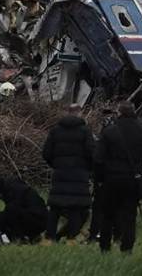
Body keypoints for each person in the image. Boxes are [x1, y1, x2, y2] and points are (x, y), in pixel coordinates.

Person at [94, 101, 142, 254]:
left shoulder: (109, 132)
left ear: (119, 113)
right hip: (133, 179)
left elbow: (99, 158)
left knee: (107, 215)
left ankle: (105, 247)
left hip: (111, 179)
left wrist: (99, 179)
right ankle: (127, 248)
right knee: (129, 216)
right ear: (134, 112)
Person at [42, 105, 95, 244]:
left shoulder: (55, 131)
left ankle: (49, 237)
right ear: (79, 113)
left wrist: (56, 164)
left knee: (55, 206)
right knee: (76, 207)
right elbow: (92, 153)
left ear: (67, 113)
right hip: (79, 176)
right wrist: (87, 168)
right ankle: (71, 238)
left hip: (60, 174)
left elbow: (46, 153)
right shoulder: (85, 131)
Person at [0, 177, 48, 243]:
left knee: (11, 211)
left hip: (38, 221)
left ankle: (20, 238)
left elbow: (11, 211)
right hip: (39, 218)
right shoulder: (15, 188)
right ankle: (30, 236)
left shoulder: (14, 192)